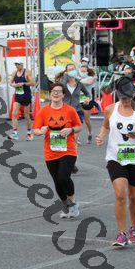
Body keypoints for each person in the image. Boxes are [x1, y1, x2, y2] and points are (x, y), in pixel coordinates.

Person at [95, 77, 135, 247]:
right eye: (122, 97)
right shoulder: (110, 109)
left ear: (134, 94)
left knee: (133, 197)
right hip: (116, 158)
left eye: (128, 97)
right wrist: (100, 136)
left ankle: (133, 227)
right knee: (120, 195)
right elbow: (106, 126)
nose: (125, 100)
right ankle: (121, 233)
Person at [33, 82, 83, 218]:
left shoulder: (70, 110)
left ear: (63, 95)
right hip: (50, 152)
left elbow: (79, 126)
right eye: (53, 91)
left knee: (63, 177)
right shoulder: (43, 111)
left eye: (59, 91)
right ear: (50, 94)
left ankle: (73, 203)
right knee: (57, 181)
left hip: (68, 150)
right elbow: (35, 129)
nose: (56, 93)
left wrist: (71, 130)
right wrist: (41, 131)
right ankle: (66, 204)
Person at [61, 64, 90, 149]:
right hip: (65, 110)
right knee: (64, 132)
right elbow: (60, 88)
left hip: (77, 110)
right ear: (66, 72)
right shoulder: (63, 83)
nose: (72, 71)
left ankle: (73, 150)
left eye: (73, 69)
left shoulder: (79, 83)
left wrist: (87, 99)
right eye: (69, 70)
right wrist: (65, 77)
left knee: (75, 134)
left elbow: (87, 94)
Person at [8, 62, 35, 141]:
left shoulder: (27, 72)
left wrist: (23, 83)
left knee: (26, 115)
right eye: (15, 64)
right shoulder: (14, 72)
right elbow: (10, 82)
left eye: (18, 64)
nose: (16, 66)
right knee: (14, 114)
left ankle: (29, 133)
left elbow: (33, 83)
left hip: (26, 96)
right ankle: (15, 133)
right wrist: (13, 85)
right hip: (18, 96)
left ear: (22, 65)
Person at [77, 64, 101, 144]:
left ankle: (90, 133)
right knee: (77, 120)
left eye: (84, 71)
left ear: (87, 72)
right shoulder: (77, 78)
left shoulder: (90, 78)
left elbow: (87, 82)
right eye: (81, 71)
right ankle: (77, 137)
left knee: (87, 120)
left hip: (87, 100)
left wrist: (76, 79)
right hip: (77, 101)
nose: (83, 72)